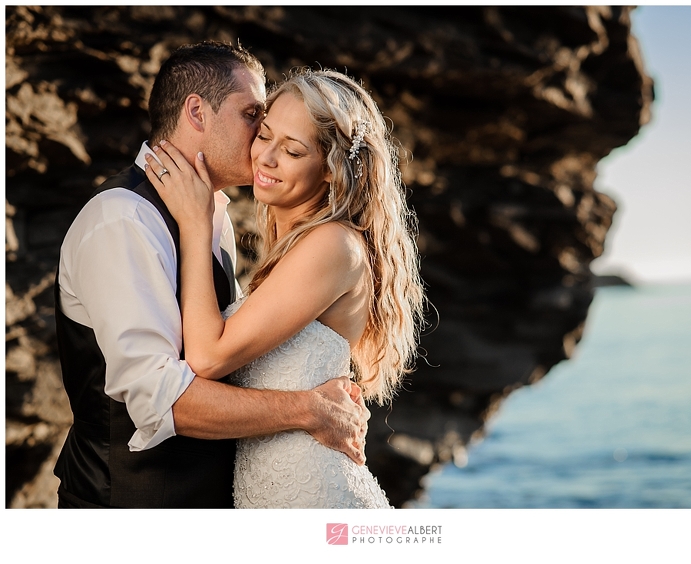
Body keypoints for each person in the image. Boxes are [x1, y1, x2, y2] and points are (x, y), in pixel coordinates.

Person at [53, 42, 369, 509]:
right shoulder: (123, 219)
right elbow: (162, 399)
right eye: (252, 115)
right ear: (197, 113)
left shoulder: (210, 215)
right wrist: (310, 409)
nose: (261, 135)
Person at [145, 68, 425, 508]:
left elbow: (207, 357)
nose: (266, 158)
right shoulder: (294, 244)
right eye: (264, 135)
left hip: (313, 497)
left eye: (293, 150)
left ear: (331, 169)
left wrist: (195, 225)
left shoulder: (332, 245)